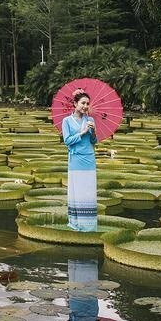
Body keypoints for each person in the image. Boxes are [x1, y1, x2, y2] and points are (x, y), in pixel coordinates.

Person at [62, 89, 98, 231]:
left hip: (89, 158)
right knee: (77, 191)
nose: (85, 106)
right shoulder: (67, 121)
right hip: (76, 159)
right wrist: (81, 133)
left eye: (87, 104)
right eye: (83, 103)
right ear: (75, 104)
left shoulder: (90, 120)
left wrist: (93, 131)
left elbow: (94, 141)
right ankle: (76, 223)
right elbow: (67, 141)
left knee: (88, 191)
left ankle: (89, 225)